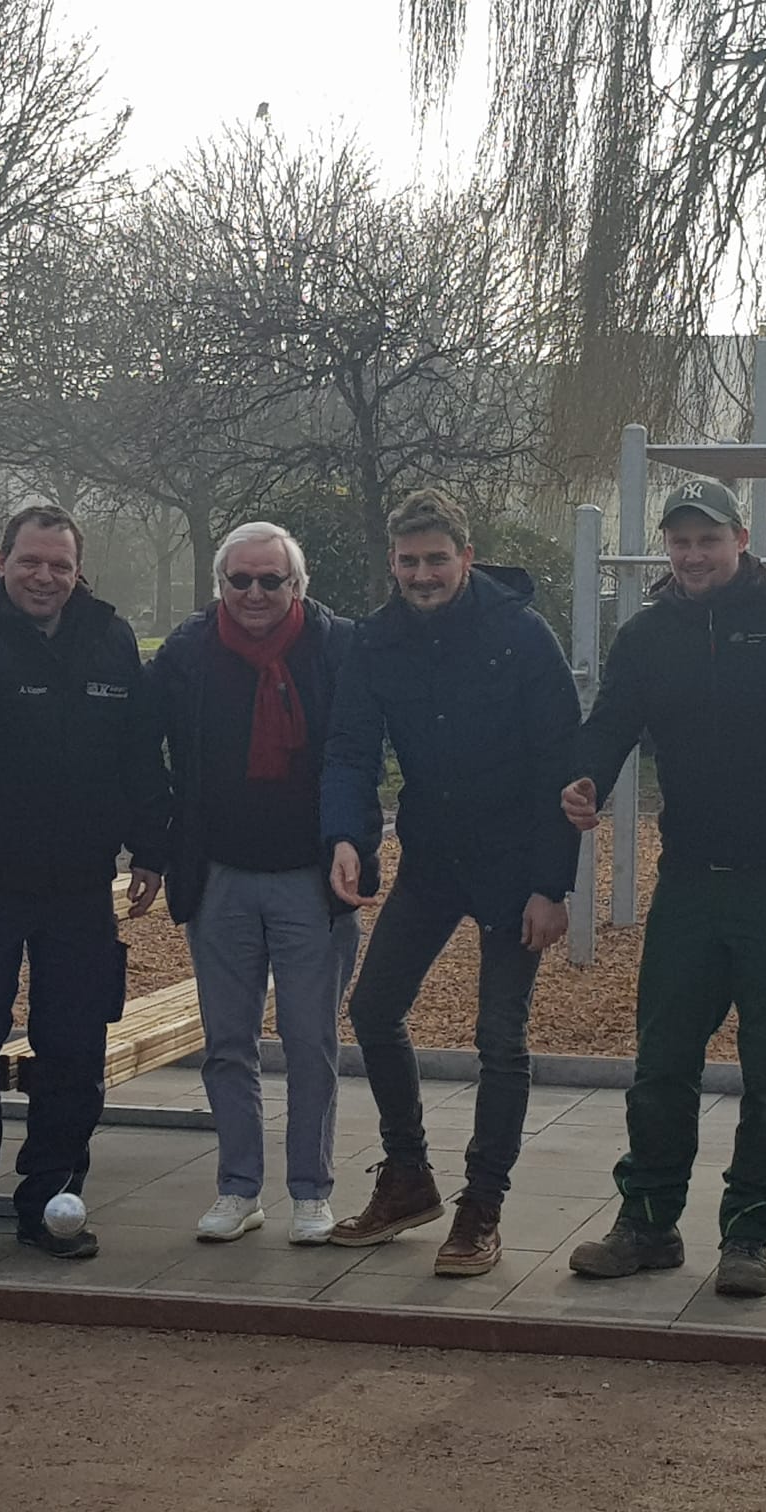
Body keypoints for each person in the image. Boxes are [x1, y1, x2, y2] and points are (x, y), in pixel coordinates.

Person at [560, 479, 766, 1300]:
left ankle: (749, 1233)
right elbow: (610, 724)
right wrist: (583, 779)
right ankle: (647, 1222)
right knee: (662, 1062)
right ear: (667, 549)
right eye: (680, 542)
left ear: (741, 539)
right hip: (692, 882)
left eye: (708, 540)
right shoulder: (647, 636)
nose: (694, 555)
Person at [321, 489, 580, 1278]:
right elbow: (351, 750)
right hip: (433, 859)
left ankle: (482, 1206)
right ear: (392, 564)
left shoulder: (521, 635)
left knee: (499, 1037)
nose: (423, 574)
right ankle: (408, 1177)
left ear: (467, 558)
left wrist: (552, 887)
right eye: (409, 561)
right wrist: (347, 840)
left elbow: (562, 765)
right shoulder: (377, 641)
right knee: (372, 1008)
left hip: (515, 864)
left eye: (438, 559)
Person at [0, 504, 170, 1264]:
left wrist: (150, 847)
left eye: (59, 564)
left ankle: (49, 1202)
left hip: (79, 884)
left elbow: (139, 753)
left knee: (73, 1049)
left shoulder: (111, 636)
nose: (45, 576)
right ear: (2, 561)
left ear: (77, 570)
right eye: (31, 561)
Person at [148, 522, 364, 1246]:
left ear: (298, 586)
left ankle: (311, 1190)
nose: (255, 593)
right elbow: (136, 739)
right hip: (221, 876)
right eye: (240, 580)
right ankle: (239, 1187)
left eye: (271, 580)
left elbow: (361, 754)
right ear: (220, 586)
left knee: (310, 1042)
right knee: (227, 1043)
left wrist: (354, 844)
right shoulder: (187, 654)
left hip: (310, 877)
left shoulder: (338, 647)